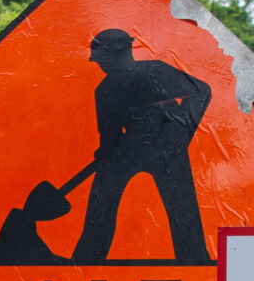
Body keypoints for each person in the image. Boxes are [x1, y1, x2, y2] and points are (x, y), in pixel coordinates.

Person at [72, 28, 214, 265]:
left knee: (182, 209)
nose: (101, 66)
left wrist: (180, 133)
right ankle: (85, 261)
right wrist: (106, 155)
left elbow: (201, 91)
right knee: (102, 196)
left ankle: (195, 261)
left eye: (102, 60)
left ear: (119, 53)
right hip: (128, 150)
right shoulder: (105, 91)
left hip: (167, 150)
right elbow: (110, 137)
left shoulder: (155, 72)